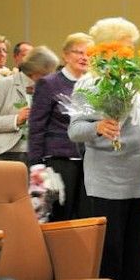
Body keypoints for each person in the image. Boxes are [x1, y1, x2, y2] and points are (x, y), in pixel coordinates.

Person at [68, 17, 140, 280]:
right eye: (126, 46)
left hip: (138, 182)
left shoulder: (133, 80)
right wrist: (98, 127)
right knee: (112, 255)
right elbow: (75, 130)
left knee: (134, 252)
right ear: (109, 49)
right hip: (108, 183)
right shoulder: (89, 84)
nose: (131, 52)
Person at [28, 33, 93, 220]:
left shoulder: (94, 85)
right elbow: (36, 126)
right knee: (61, 215)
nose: (84, 57)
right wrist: (36, 164)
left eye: (89, 54)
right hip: (60, 159)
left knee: (85, 215)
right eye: (78, 52)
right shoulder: (49, 83)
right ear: (65, 55)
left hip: (90, 160)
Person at [0, 46, 60, 165]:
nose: (52, 75)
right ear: (36, 69)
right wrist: (16, 119)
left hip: (41, 155)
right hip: (5, 154)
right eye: (48, 71)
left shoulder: (49, 88)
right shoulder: (4, 84)